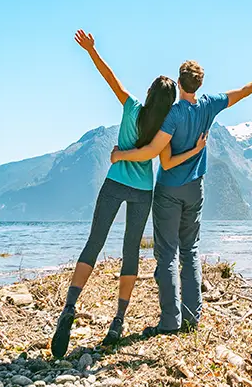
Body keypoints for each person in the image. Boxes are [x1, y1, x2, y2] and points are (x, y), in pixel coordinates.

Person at [51, 31, 205, 358]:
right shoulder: (167, 123)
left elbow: (109, 77)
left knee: (94, 242)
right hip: (142, 192)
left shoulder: (132, 106)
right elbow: (160, 157)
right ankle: (118, 320)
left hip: (114, 183)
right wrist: (194, 150)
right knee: (131, 250)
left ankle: (69, 306)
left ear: (149, 93)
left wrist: (92, 50)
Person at [111, 56, 252, 336]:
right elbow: (244, 91)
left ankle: (170, 321)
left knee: (167, 254)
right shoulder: (209, 105)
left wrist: (120, 155)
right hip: (196, 189)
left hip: (169, 190)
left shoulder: (172, 115)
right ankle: (193, 319)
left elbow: (166, 162)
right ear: (199, 83)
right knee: (190, 252)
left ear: (179, 82)